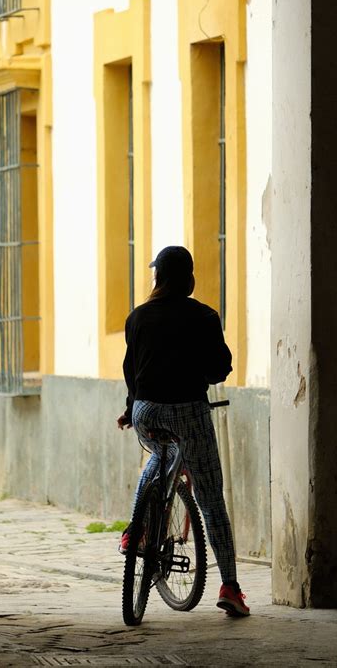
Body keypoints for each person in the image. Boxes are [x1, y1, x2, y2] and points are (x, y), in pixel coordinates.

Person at [117, 245, 250, 617]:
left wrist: (131, 410)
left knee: (158, 455)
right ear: (190, 280)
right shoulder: (205, 316)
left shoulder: (137, 317)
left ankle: (135, 530)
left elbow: (132, 374)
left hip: (146, 413)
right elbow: (219, 369)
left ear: (157, 277)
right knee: (211, 500)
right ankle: (230, 588)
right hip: (189, 414)